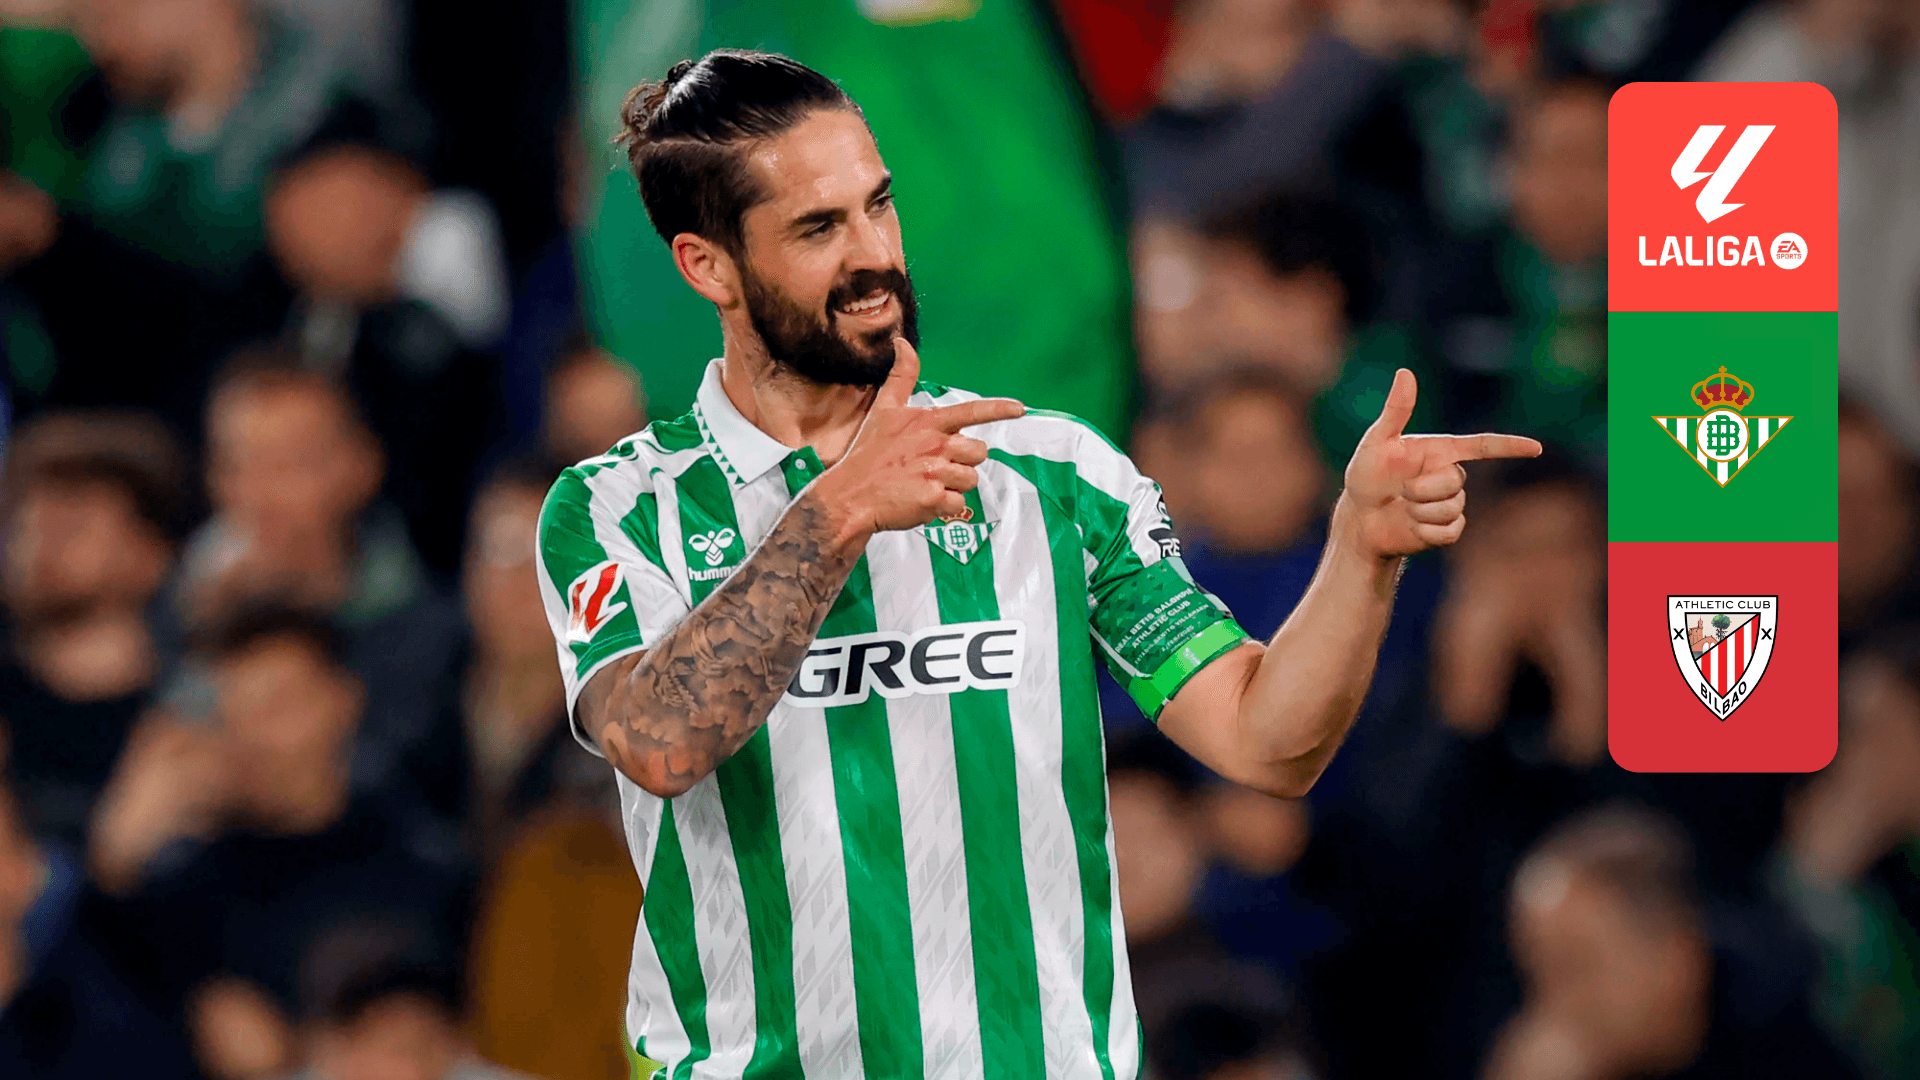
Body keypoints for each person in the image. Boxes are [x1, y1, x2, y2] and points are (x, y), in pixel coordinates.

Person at [536, 49, 1540, 1077]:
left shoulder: (1052, 475)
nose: (875, 255)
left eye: (879, 205)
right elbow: (658, 744)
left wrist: (1361, 554)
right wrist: (835, 512)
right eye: (818, 229)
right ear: (708, 267)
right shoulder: (617, 507)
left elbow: (1268, 741)